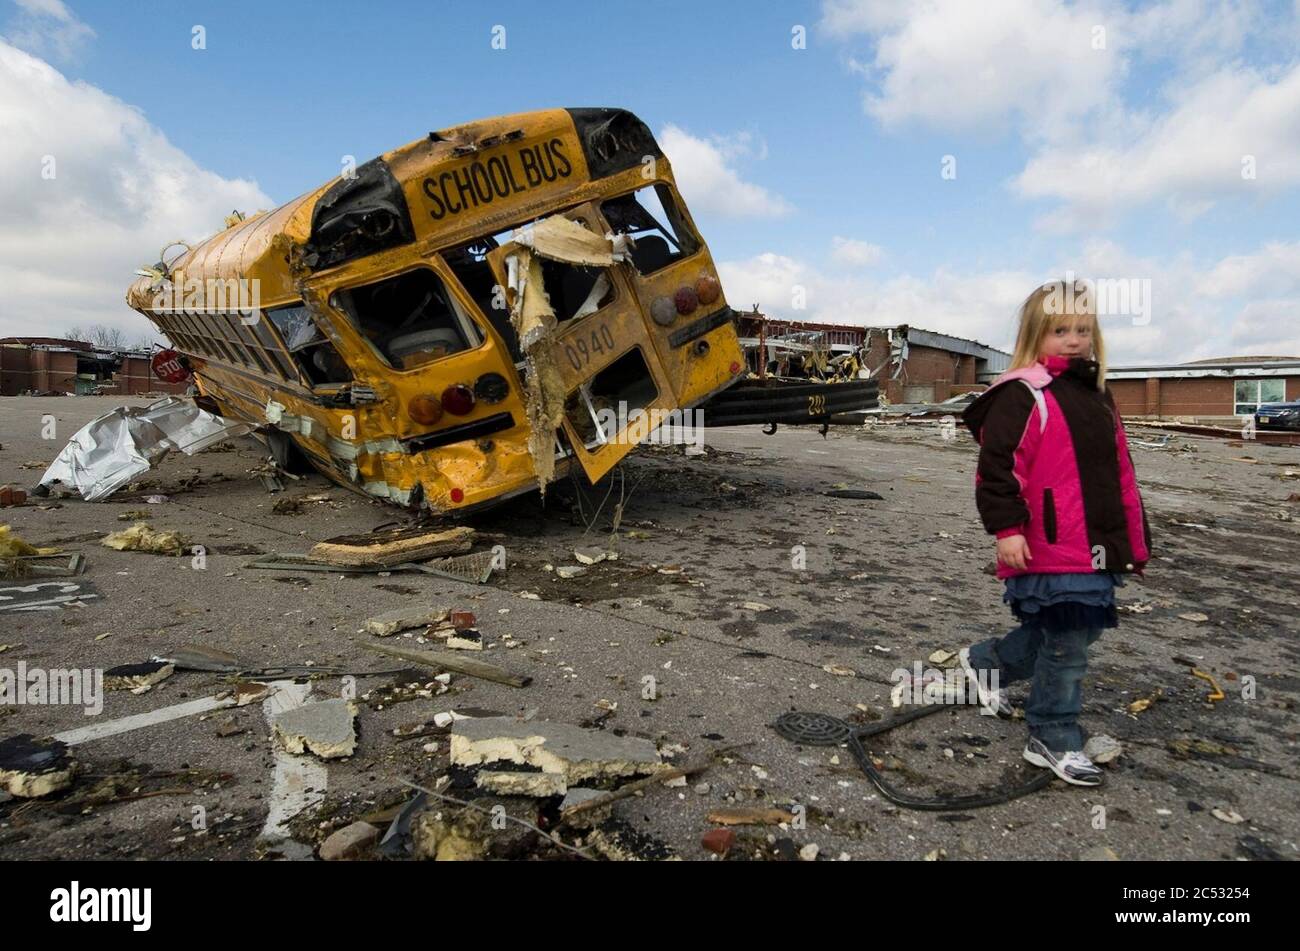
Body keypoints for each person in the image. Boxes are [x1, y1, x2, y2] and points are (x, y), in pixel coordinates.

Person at [957, 280, 1152, 786]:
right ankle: (1053, 730)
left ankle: (988, 663)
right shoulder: (1024, 394)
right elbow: (998, 468)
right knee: (1069, 643)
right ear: (1035, 334)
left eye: (1082, 330)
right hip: (1046, 541)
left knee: (1069, 629)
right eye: (1060, 330)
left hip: (1094, 541)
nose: (1073, 340)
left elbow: (1118, 475)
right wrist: (1007, 529)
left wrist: (1131, 538)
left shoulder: (1098, 396)